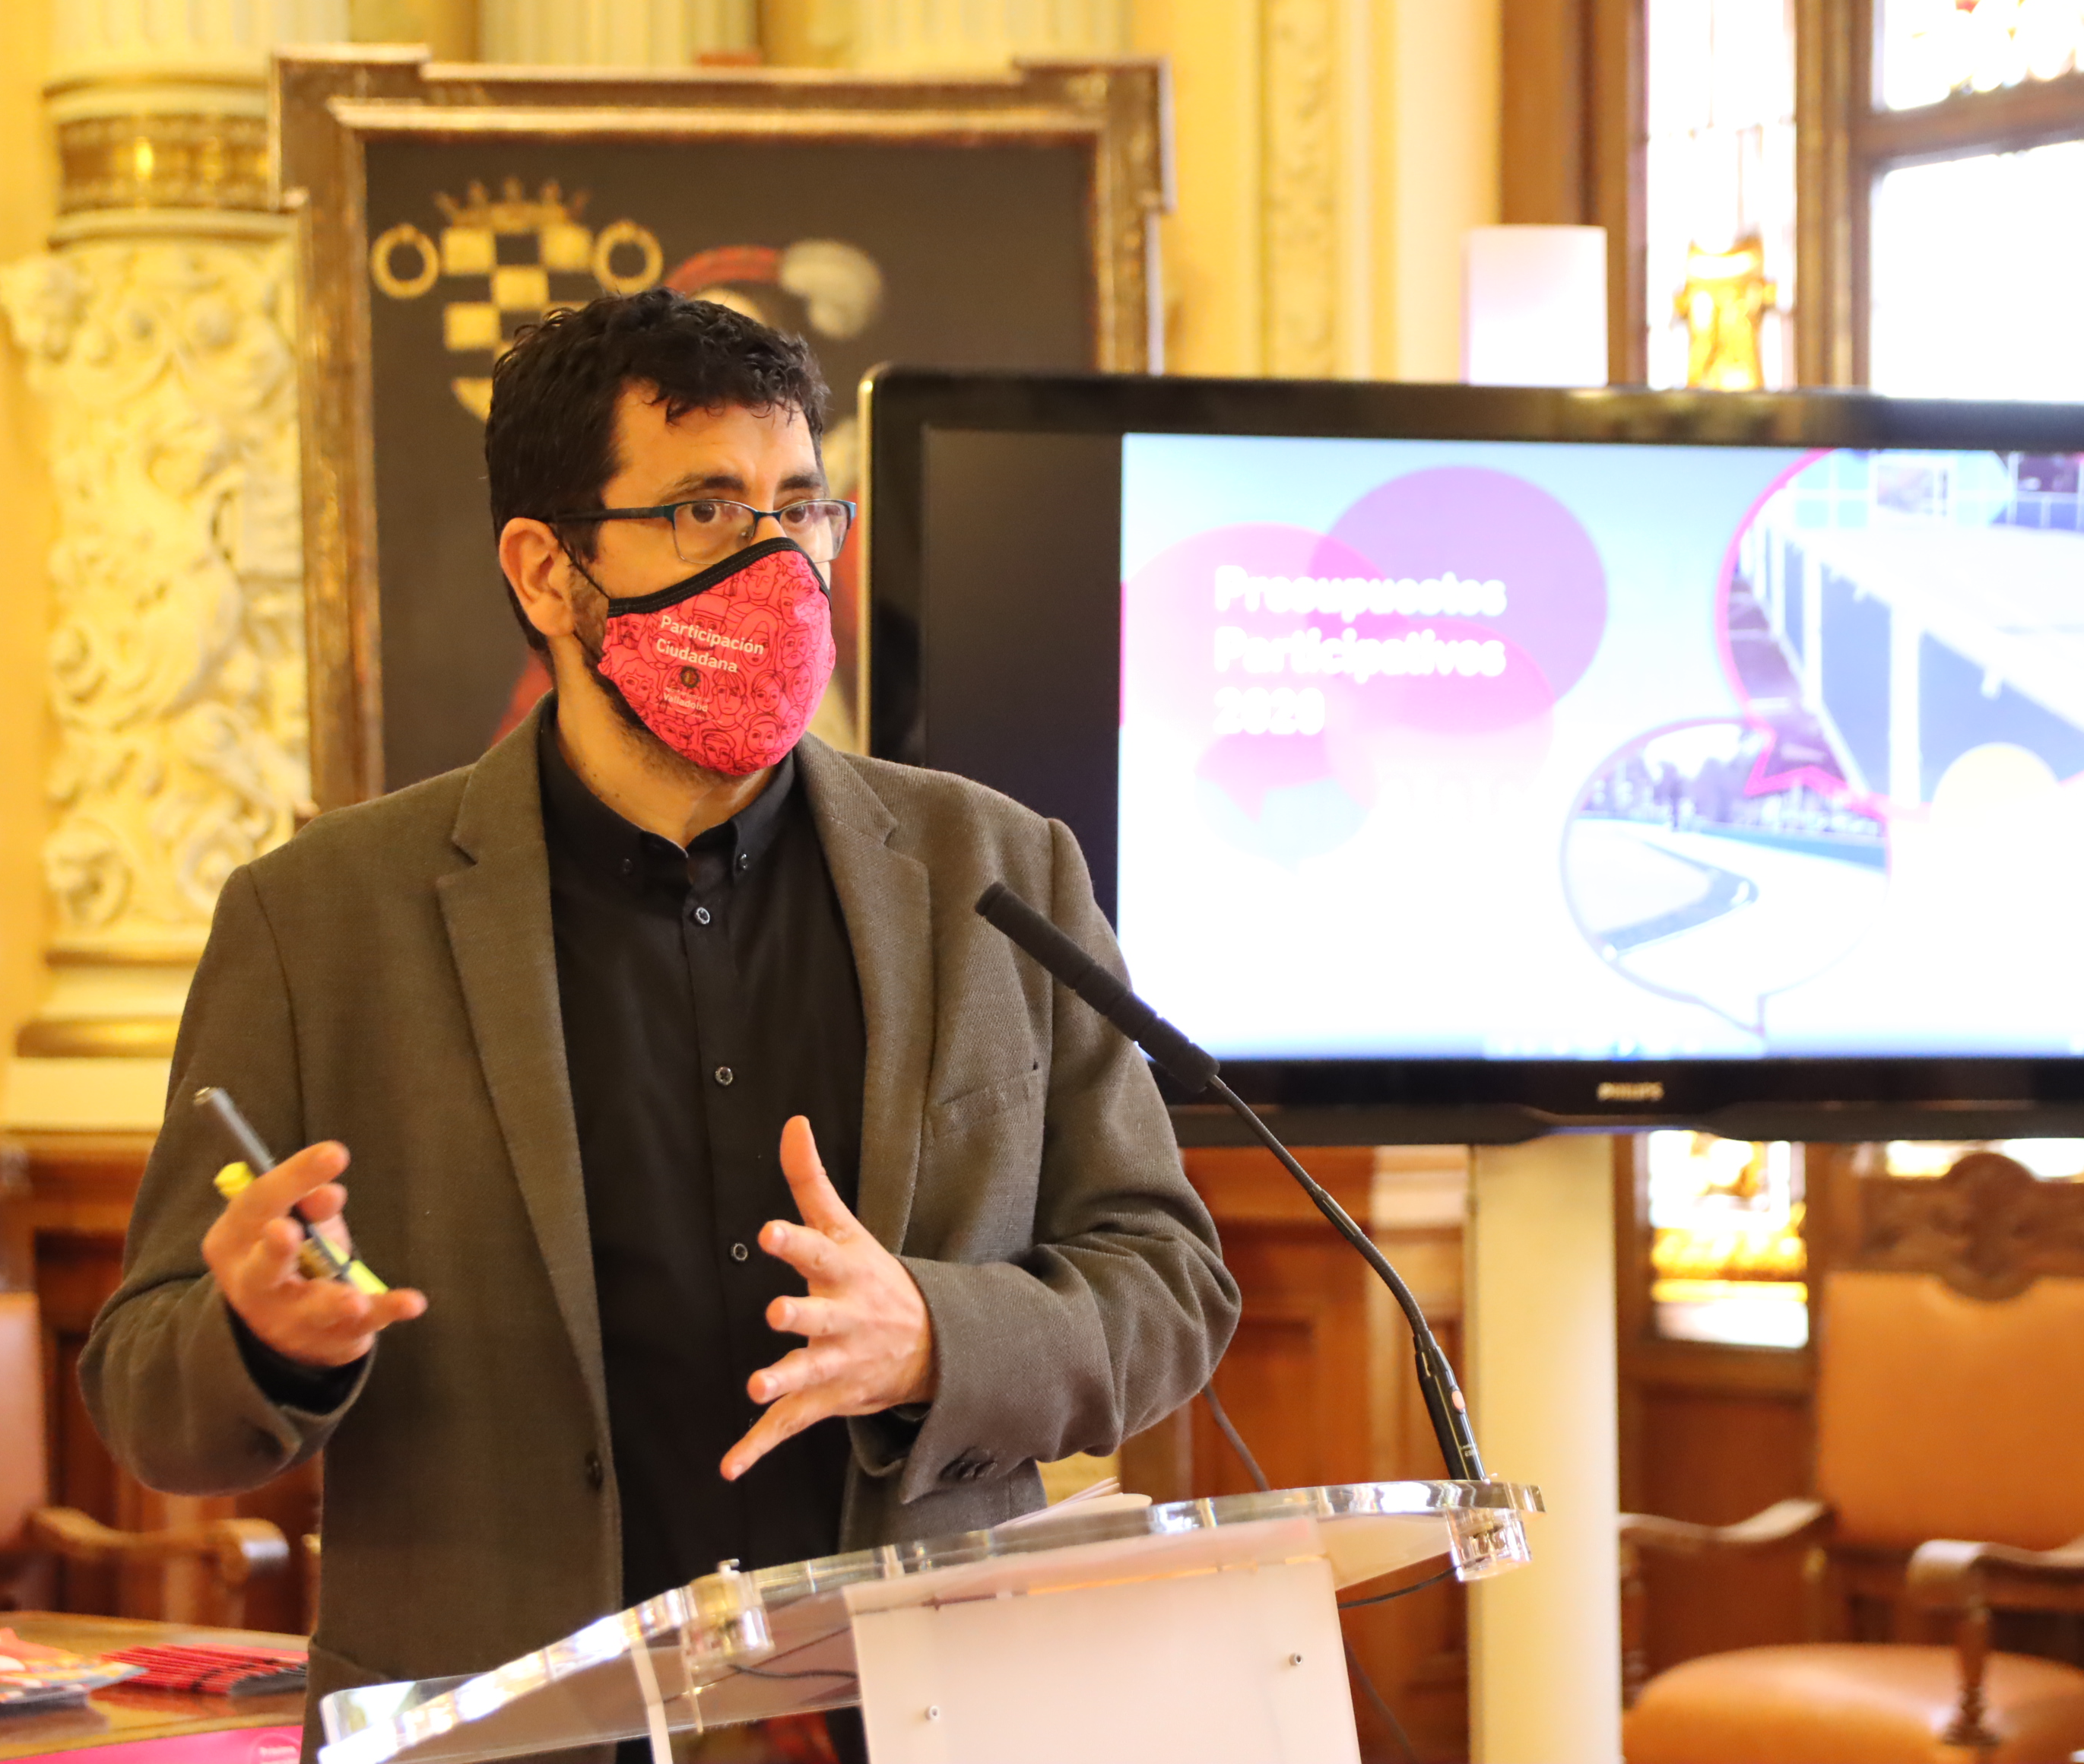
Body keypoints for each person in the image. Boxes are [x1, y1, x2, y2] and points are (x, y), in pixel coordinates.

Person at [81, 289, 1240, 1762]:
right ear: (547, 569)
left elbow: (1170, 1280)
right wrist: (264, 1340)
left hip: (927, 1716)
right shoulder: (317, 918)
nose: (779, 564)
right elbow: (146, 1392)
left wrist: (932, 1339)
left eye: (801, 509)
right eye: (705, 512)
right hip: (512, 1730)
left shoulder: (996, 870)